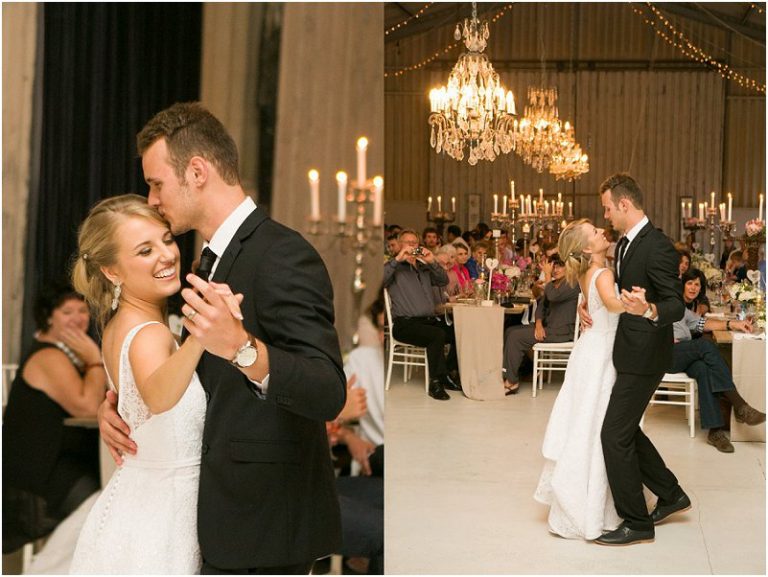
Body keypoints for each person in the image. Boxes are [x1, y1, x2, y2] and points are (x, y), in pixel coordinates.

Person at [96, 103, 346, 574]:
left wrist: (242, 348)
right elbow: (195, 382)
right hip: (215, 522)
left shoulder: (281, 254)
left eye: (156, 183)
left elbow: (328, 390)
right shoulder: (205, 262)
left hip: (265, 525)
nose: (152, 198)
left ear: (196, 172)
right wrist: (126, 405)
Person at [69, 194, 214, 573]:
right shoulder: (150, 333)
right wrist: (203, 331)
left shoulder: (120, 324)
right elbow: (157, 397)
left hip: (139, 505)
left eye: (166, 240)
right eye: (145, 250)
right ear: (112, 271)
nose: (167, 255)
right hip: (162, 518)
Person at [586, 173, 688, 546]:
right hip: (629, 349)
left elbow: (675, 304)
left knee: (613, 435)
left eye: (608, 208)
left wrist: (648, 310)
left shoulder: (657, 245)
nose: (606, 215)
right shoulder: (627, 243)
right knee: (626, 430)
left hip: (646, 354)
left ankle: (636, 521)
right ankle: (671, 494)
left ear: (624, 204)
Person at [534, 219, 625, 539]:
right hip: (601, 354)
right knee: (596, 426)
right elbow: (612, 304)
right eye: (595, 232)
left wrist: (586, 306)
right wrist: (643, 305)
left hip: (589, 351)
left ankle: (581, 495)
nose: (602, 231)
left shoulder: (587, 273)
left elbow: (595, 302)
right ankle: (592, 505)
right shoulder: (604, 273)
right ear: (587, 247)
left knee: (584, 424)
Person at [2, 283, 105, 554]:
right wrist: (95, 360)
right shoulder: (48, 356)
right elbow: (88, 407)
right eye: (67, 312)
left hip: (61, 458)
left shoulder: (67, 354)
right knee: (105, 504)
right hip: (38, 471)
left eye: (83, 310)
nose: (78, 318)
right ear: (49, 317)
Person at [671, 303, 765, 453]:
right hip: (664, 354)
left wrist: (732, 324)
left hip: (685, 352)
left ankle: (715, 431)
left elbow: (702, 323)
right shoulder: (650, 305)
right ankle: (740, 405)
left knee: (704, 369)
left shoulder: (677, 307)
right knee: (705, 345)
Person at [383, 229, 460, 401]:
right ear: (399, 245)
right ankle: (435, 382)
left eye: (415, 242)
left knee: (458, 331)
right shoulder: (393, 267)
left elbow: (443, 280)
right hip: (405, 324)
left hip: (428, 321)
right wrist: (398, 259)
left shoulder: (424, 266)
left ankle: (447, 373)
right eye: (407, 242)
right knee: (436, 335)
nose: (412, 245)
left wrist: (432, 261)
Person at [502, 252, 579, 395]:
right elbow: (541, 306)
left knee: (516, 337)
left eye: (559, 266)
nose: (555, 270)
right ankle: (510, 375)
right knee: (510, 330)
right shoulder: (555, 284)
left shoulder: (573, 284)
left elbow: (552, 296)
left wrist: (547, 276)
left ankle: (511, 382)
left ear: (569, 267)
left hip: (563, 331)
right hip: (548, 327)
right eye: (552, 266)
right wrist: (538, 324)